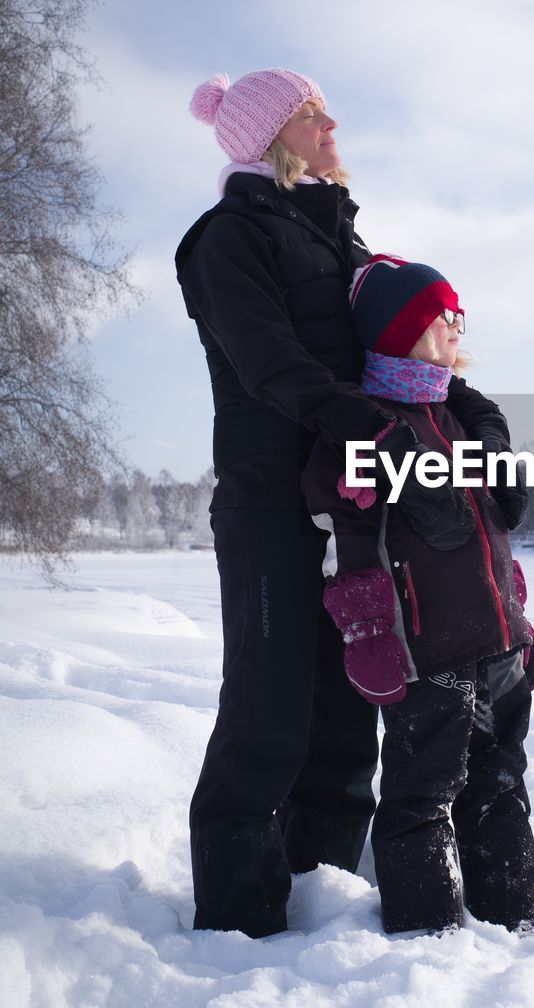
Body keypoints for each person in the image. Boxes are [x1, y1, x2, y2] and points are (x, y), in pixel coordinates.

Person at [175, 68, 513, 938]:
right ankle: (239, 919)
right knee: (268, 705)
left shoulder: (343, 242)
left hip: (360, 505)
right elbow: (270, 363)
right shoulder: (226, 239)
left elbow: (406, 350)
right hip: (271, 505)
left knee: (346, 712)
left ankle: (319, 887)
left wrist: (470, 412)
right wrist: (366, 423)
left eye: (324, 110)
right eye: (309, 114)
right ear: (269, 138)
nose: (332, 123)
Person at [303, 254, 534, 934]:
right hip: (424, 645)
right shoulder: (368, 421)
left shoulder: (454, 412)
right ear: (404, 329)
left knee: (500, 783)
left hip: (496, 639)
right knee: (422, 794)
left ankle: (513, 913)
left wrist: (520, 621)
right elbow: (326, 505)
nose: (459, 330)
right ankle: (426, 931)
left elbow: (491, 533)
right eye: (447, 318)